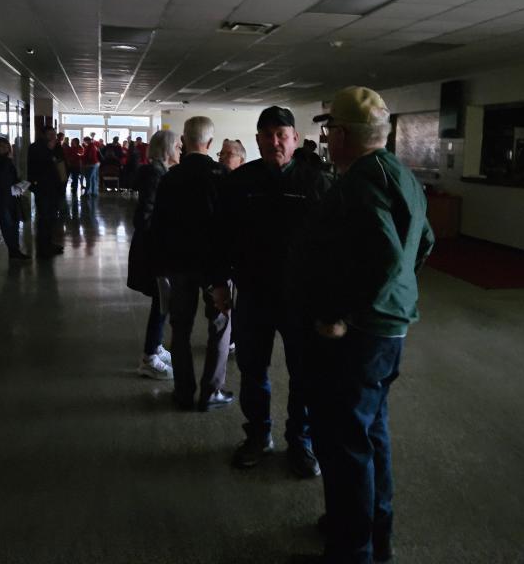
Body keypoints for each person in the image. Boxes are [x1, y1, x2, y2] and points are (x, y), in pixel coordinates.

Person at [293, 86, 434, 564]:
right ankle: (373, 535)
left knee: (345, 442)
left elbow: (386, 256)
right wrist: (394, 298)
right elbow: (424, 244)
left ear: (347, 134)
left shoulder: (360, 182)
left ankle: (351, 551)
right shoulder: (399, 173)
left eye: (330, 128)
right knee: (371, 433)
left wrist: (342, 315)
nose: (327, 137)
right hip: (389, 327)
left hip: (361, 335)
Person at [213, 106, 332, 477]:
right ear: (258, 139)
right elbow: (220, 238)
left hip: (303, 300)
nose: (275, 142)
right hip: (253, 295)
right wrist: (218, 283)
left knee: (304, 375)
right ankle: (258, 436)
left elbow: (334, 247)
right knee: (252, 370)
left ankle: (301, 442)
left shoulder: (318, 183)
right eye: (267, 135)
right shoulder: (240, 183)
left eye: (282, 134)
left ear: (295, 139)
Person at [151, 117, 233, 412]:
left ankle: (183, 391)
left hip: (179, 264)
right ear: (210, 143)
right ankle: (212, 392)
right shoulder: (222, 175)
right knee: (220, 327)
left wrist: (160, 265)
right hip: (215, 267)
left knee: (181, 328)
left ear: (183, 141)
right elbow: (230, 226)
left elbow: (157, 225)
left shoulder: (171, 177)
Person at [127, 130, 181, 379]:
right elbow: (145, 218)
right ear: (168, 149)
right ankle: (149, 357)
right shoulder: (156, 176)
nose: (181, 151)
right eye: (178, 147)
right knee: (162, 300)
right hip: (155, 251)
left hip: (154, 248)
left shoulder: (159, 173)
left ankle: (155, 346)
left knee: (162, 301)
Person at [26, 126, 64, 258]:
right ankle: (42, 248)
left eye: (54, 134)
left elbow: (61, 163)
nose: (53, 136)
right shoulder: (36, 147)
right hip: (42, 188)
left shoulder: (56, 147)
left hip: (55, 188)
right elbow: (40, 166)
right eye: (50, 134)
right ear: (43, 135)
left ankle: (50, 243)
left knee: (52, 218)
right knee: (44, 218)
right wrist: (50, 151)